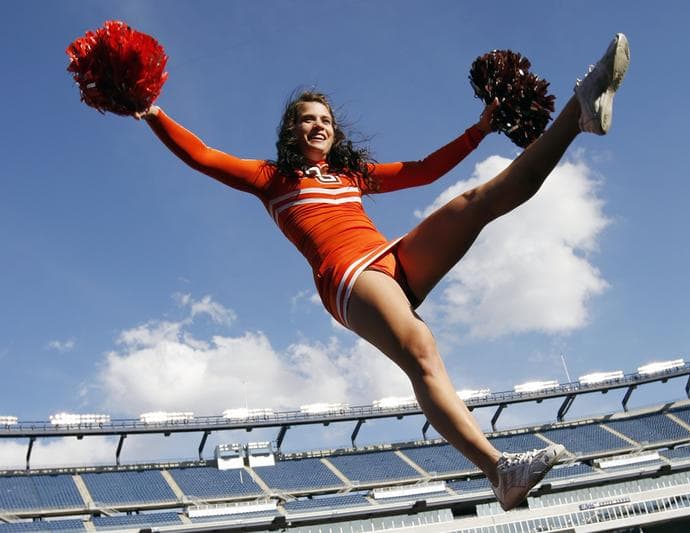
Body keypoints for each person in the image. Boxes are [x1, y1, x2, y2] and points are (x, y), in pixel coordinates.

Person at [137, 33, 629, 510]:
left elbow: (425, 170)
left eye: (325, 119)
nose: (318, 126)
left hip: (388, 258)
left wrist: (480, 129)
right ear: (291, 131)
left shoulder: (350, 176)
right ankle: (499, 470)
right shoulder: (271, 179)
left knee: (481, 200)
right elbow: (201, 155)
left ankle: (577, 113)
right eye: (306, 120)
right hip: (347, 276)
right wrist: (151, 111)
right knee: (421, 350)